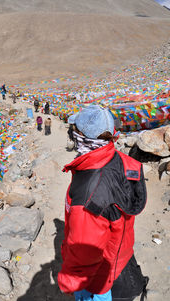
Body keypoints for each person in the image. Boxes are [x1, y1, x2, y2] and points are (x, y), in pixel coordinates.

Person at [58, 105, 148, 301]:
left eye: (75, 130)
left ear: (82, 136)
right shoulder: (120, 160)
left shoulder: (89, 195)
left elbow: (86, 250)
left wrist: (69, 282)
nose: (72, 133)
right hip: (117, 253)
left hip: (96, 277)